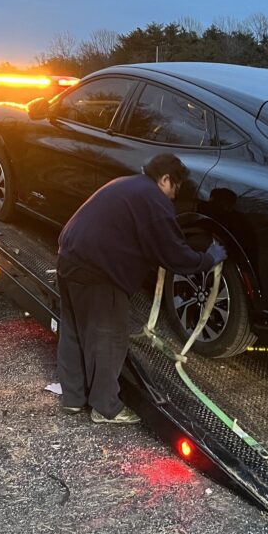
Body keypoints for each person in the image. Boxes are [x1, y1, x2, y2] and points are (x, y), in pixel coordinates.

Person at [56, 153, 227, 424]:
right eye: (175, 188)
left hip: (69, 257)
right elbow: (174, 253)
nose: (174, 196)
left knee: (74, 330)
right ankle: (106, 408)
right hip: (99, 272)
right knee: (108, 338)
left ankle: (73, 399)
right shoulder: (153, 199)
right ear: (165, 179)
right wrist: (207, 259)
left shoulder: (126, 184)